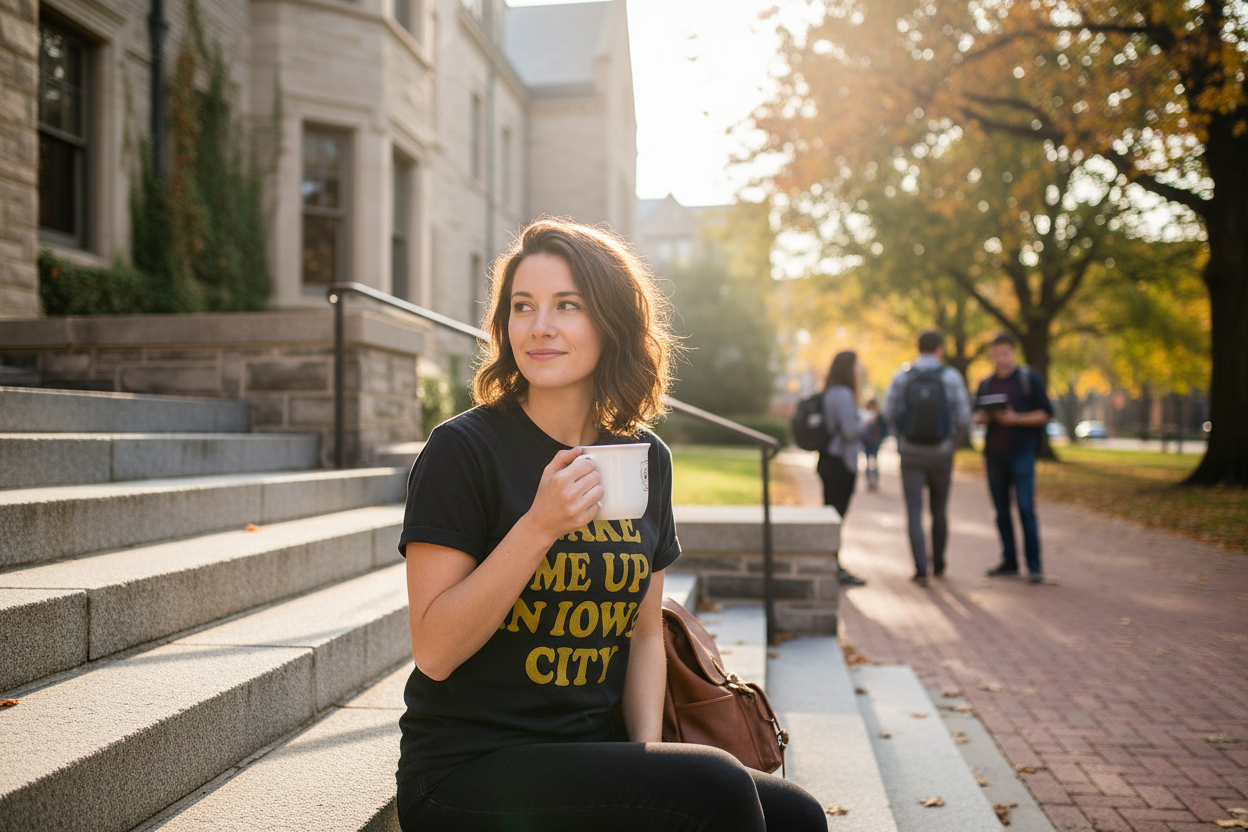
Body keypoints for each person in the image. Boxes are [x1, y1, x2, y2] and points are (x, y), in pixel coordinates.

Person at [395, 219, 825, 832]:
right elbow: (434, 652)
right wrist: (538, 527)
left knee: (797, 816)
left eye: (566, 305)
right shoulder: (463, 451)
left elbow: (646, 636)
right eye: (523, 306)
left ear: (610, 322)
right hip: (472, 767)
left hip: (594, 752)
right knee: (716, 788)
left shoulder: (646, 459)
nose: (539, 325)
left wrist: (649, 762)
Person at [884, 330, 972, 586]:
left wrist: (900, 440)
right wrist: (951, 442)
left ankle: (920, 568)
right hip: (941, 453)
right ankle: (940, 563)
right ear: (940, 349)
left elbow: (890, 412)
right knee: (939, 509)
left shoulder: (902, 376)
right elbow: (964, 416)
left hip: (910, 452)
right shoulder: (950, 376)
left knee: (913, 510)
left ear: (918, 348)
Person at [973, 332, 1054, 583]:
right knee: (1001, 511)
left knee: (1025, 508)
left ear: (1013, 353)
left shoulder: (1029, 379)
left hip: (1022, 453)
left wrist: (1016, 418)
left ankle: (1035, 566)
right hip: (994, 455)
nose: (1001, 358)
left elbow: (1046, 413)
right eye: (997, 353)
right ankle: (1009, 561)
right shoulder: (986, 384)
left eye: (1006, 352)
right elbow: (976, 416)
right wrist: (984, 417)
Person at [817, 350, 874, 587]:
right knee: (836, 518)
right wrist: (867, 420)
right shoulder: (843, 394)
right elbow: (850, 431)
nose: (859, 370)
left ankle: (832, 565)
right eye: (856, 365)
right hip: (840, 461)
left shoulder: (831, 391)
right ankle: (833, 567)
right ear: (848, 368)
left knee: (833, 515)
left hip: (831, 459)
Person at [861, 397, 887, 492]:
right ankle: (869, 482)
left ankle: (875, 482)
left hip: (875, 442)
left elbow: (884, 428)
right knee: (868, 462)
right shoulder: (865, 415)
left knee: (874, 462)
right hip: (867, 442)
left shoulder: (879, 416)